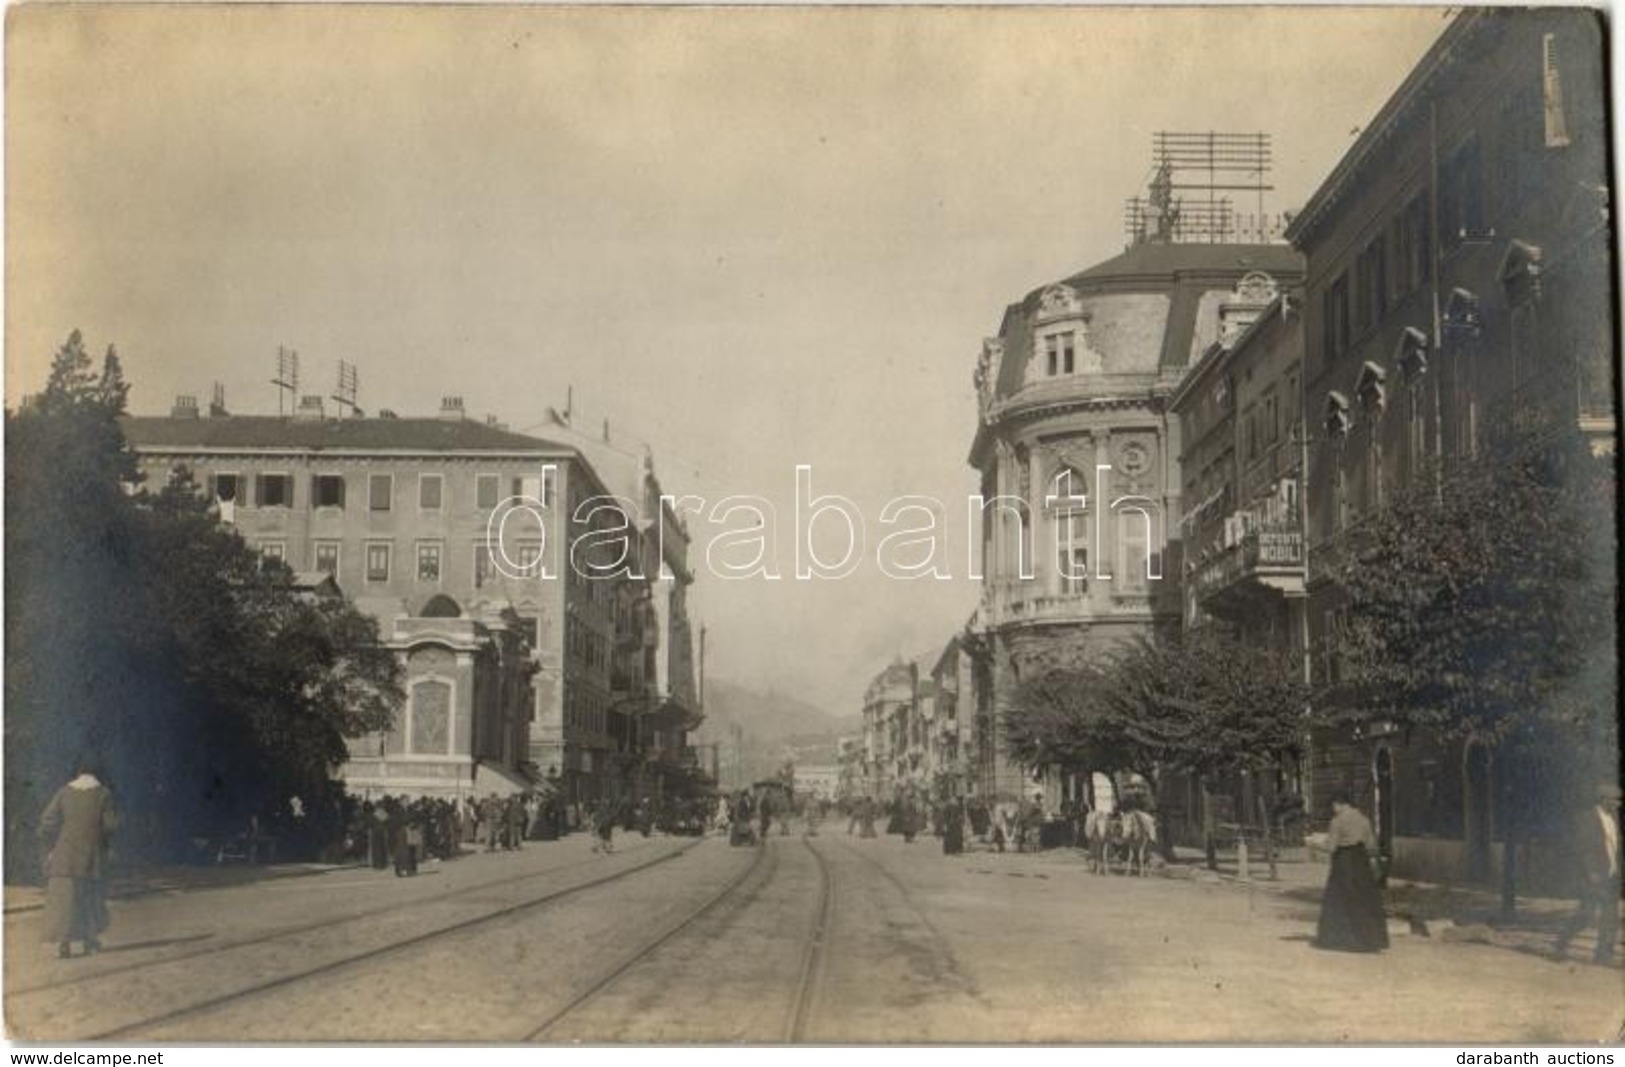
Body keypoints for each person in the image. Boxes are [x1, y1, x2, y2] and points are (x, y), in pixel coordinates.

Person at [38, 761, 118, 958]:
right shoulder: (104, 794)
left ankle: (64, 944)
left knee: (65, 901)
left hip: (64, 854)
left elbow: (47, 820)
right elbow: (110, 826)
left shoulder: (64, 792)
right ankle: (89, 941)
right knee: (89, 898)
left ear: (78, 773)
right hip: (91, 855)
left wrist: (56, 841)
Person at [1553, 782, 1620, 965]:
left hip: (1611, 874)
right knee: (1587, 914)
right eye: (1615, 800)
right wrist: (1591, 871)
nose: (1618, 803)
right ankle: (1561, 942)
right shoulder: (1586, 818)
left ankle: (1603, 956)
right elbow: (1584, 849)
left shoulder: (1614, 818)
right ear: (1604, 799)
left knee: (1610, 915)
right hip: (1593, 875)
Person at [1314, 791, 1389, 952]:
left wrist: (1314, 843)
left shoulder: (1337, 821)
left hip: (1344, 862)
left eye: (1333, 806)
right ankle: (1370, 940)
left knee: (1340, 898)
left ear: (1338, 803)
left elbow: (1331, 847)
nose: (1333, 809)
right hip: (1361, 862)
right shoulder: (1364, 819)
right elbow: (1371, 845)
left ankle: (1341, 939)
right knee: (1364, 898)